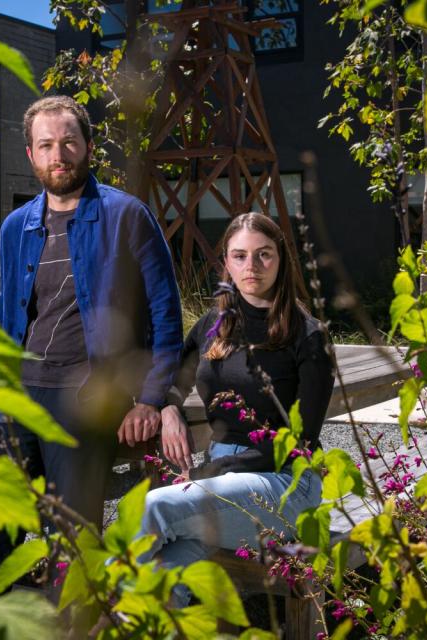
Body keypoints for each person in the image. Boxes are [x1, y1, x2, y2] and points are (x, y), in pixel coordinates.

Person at [0, 95, 183, 607]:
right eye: (46, 145)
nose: (58, 154)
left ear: (87, 146)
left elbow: (166, 315)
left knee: (73, 541)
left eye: (68, 142)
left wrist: (151, 398)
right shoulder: (15, 227)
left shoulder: (127, 216)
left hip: (85, 398)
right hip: (20, 398)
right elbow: (11, 317)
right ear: (31, 154)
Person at [139, 212, 334, 605]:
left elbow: (299, 442)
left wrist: (210, 471)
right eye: (240, 256)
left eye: (264, 255)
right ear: (226, 262)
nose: (252, 267)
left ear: (281, 260)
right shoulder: (213, 324)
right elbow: (174, 381)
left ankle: (88, 617)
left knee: (156, 504)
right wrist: (170, 410)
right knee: (159, 581)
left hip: (283, 485)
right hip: (221, 483)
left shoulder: (309, 337)